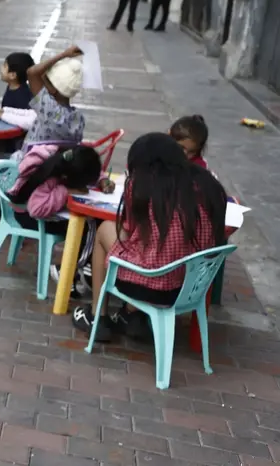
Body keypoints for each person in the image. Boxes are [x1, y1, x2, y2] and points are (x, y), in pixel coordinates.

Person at [72, 133, 228, 342]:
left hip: (145, 286)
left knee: (106, 230)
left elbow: (132, 232)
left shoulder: (141, 187)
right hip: (189, 288)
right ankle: (132, 315)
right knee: (162, 248)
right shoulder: (209, 186)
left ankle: (98, 317)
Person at [8, 145, 107, 278]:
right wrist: (65, 191)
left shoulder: (69, 157)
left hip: (39, 209)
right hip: (29, 217)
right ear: (67, 178)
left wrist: (102, 180)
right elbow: (35, 209)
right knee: (88, 226)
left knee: (97, 221)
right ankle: (69, 272)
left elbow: (87, 165)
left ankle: (86, 266)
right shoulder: (50, 177)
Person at [12, 45, 87, 161]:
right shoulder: (79, 118)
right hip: (56, 169)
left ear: (53, 89)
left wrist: (64, 55)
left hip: (30, 168)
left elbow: (32, 73)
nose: (41, 82)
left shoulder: (48, 109)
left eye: (45, 80)